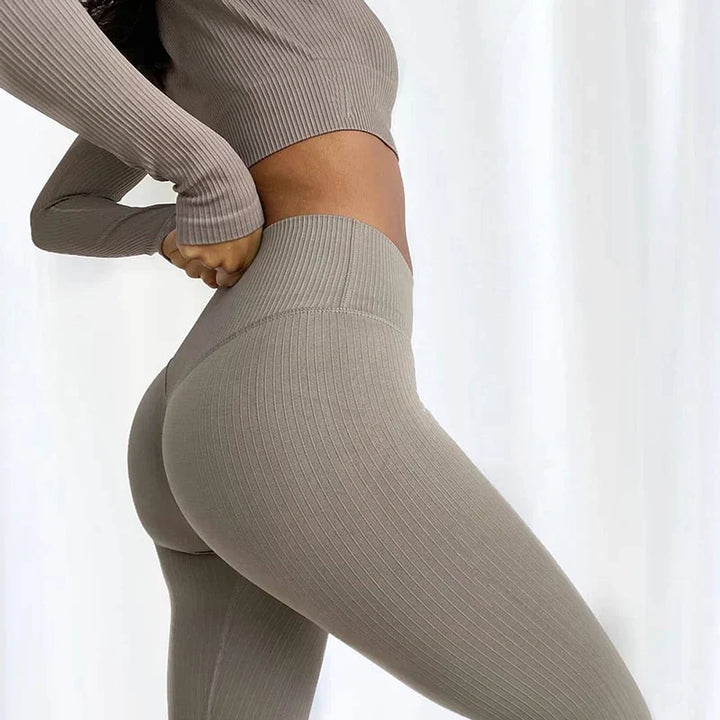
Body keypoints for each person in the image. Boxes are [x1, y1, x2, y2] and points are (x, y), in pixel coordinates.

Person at [0, 1, 653, 718]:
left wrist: (183, 217)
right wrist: (208, 182)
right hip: (293, 383)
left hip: (241, 384)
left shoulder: (184, 42)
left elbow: (58, 213)